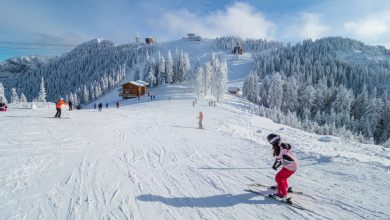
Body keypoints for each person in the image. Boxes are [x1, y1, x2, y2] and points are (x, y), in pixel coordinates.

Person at [267, 133, 298, 199]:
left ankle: (282, 194)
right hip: (292, 165)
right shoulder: (283, 145)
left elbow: (278, 159)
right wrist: (277, 165)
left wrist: (275, 166)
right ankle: (284, 186)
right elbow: (282, 157)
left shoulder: (278, 149)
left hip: (290, 166)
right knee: (283, 176)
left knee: (278, 177)